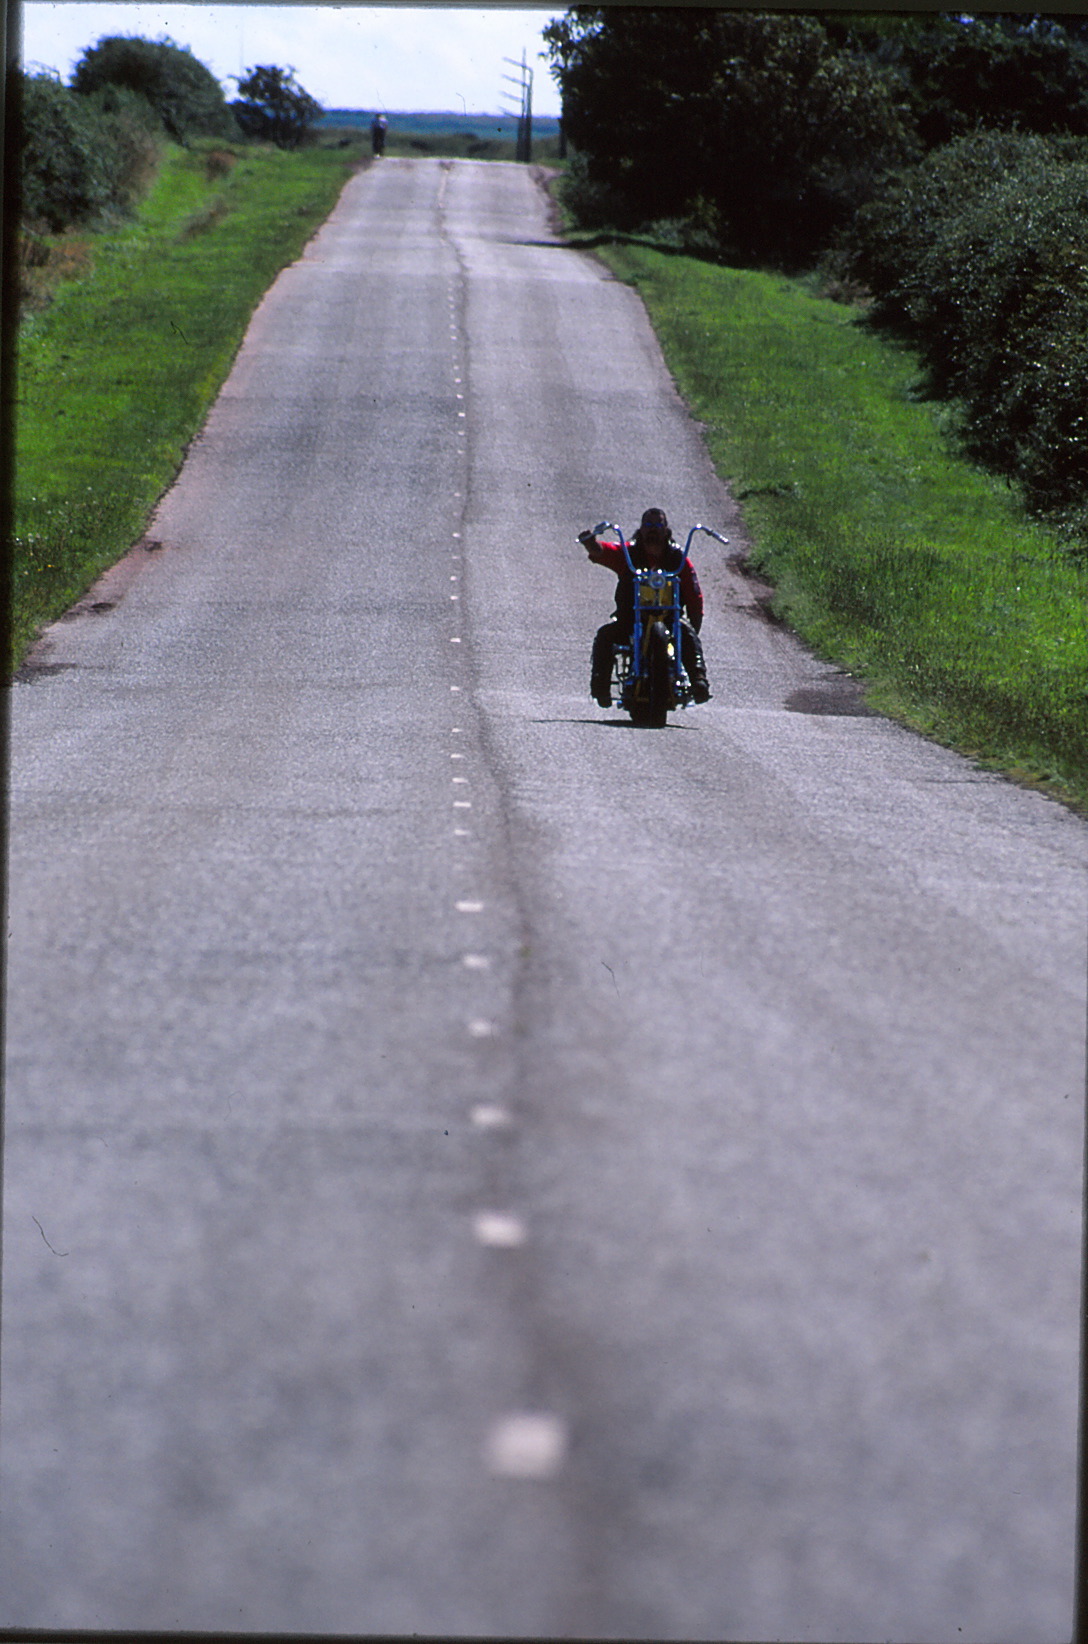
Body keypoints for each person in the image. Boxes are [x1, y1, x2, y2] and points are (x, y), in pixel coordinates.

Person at [580, 507, 711, 707]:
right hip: (630, 620)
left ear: (666, 530)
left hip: (668, 620)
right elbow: (604, 552)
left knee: (688, 635)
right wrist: (590, 544)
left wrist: (695, 623)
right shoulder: (629, 554)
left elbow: (694, 596)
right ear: (641, 529)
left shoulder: (678, 559)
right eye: (648, 525)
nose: (653, 530)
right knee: (605, 636)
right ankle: (600, 687)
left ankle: (699, 681)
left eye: (658, 526)